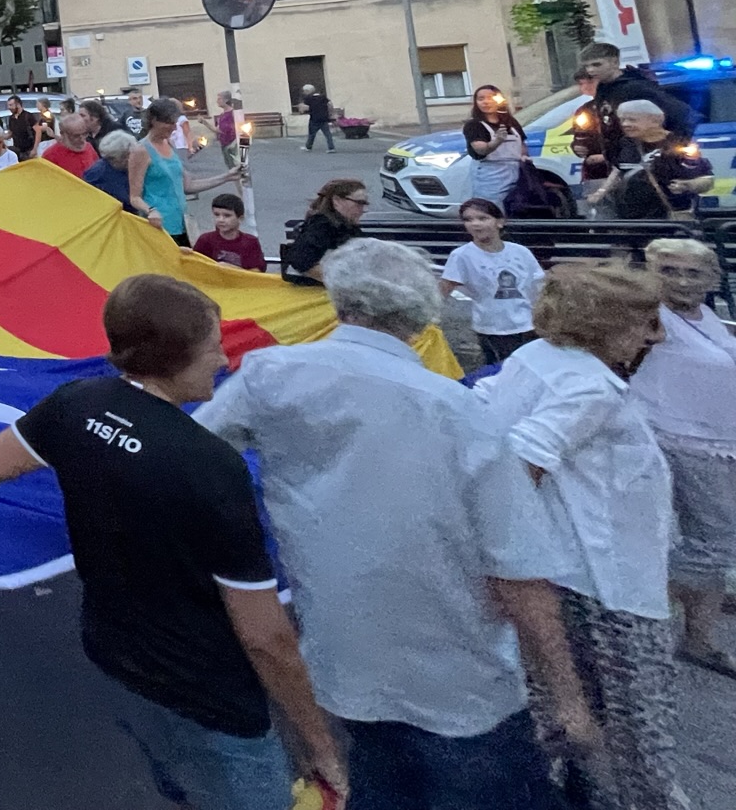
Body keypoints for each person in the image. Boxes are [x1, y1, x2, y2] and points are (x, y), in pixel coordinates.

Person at [198, 241, 594, 809]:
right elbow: (518, 572)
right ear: (419, 316)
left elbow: (194, 453)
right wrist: (567, 698)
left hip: (344, 659)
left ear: (339, 300)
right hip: (459, 679)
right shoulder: (457, 412)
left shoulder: (270, 375)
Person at [0, 275, 345, 809]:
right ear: (173, 357)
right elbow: (264, 636)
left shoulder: (75, 403)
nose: (224, 360)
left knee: (176, 779)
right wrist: (320, 744)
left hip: (117, 659)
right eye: (212, 348)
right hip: (209, 698)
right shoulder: (211, 466)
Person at [482, 262, 682, 806]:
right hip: (604, 581)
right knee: (640, 727)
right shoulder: (588, 388)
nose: (656, 335)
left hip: (565, 567)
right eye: (646, 322)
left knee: (559, 713)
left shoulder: (534, 358)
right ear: (606, 325)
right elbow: (522, 462)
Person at [632, 238, 736, 678]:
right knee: (714, 539)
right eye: (669, 270)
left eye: (694, 273)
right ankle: (636, 613)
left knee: (714, 542)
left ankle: (699, 639)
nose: (682, 281)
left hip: (717, 438)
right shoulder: (646, 315)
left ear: (712, 279)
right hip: (676, 437)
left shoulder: (705, 316)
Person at [572, 41, 697, 190]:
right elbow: (608, 126)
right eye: (587, 66)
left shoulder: (635, 88)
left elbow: (684, 115)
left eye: (596, 64)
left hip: (644, 167)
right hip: (617, 167)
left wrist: (669, 148)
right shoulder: (604, 89)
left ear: (614, 62)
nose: (590, 70)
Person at [436, 198, 543, 366]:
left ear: (499, 222)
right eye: (468, 220)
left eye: (482, 218)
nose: (475, 224)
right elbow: (444, 289)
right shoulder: (461, 256)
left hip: (527, 324)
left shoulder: (521, 252)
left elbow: (537, 286)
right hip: (493, 328)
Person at [131, 99, 240, 246]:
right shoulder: (141, 151)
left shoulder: (168, 143)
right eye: (170, 123)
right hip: (159, 226)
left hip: (182, 223)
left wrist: (227, 177)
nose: (175, 128)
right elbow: (134, 197)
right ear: (155, 121)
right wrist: (150, 211)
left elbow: (187, 186)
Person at [588, 99, 714, 221]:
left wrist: (688, 185)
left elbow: (707, 180)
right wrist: (601, 192)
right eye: (623, 119)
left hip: (668, 223)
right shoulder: (626, 143)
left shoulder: (679, 145)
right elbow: (619, 170)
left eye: (632, 119)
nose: (625, 124)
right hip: (630, 222)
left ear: (655, 120)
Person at [282, 179, 368, 285]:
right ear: (337, 201)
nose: (362, 209)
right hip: (316, 294)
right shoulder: (322, 226)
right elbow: (300, 260)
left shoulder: (347, 226)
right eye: (359, 203)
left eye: (364, 204)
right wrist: (347, 284)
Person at [463, 86, 529, 212]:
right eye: (481, 99)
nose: (485, 102)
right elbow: (481, 150)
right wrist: (497, 141)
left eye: (490, 98)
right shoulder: (474, 125)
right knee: (492, 209)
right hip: (491, 175)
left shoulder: (510, 122)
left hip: (516, 172)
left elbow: (522, 143)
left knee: (516, 207)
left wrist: (524, 156)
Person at [192, 193, 264, 271]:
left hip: (240, 282)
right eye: (217, 215)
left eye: (227, 215)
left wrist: (232, 269)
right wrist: (185, 253)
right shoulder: (205, 240)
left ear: (240, 218)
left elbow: (256, 272)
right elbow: (195, 265)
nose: (220, 220)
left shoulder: (250, 242)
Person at [83, 131, 141, 213]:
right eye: (127, 156)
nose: (131, 159)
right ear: (115, 157)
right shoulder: (96, 175)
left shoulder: (130, 168)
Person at [40, 112, 99, 178]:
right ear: (63, 134)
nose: (82, 139)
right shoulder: (50, 155)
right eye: (76, 136)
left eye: (84, 134)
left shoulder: (89, 147)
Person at [7, 94, 45, 161]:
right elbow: (11, 133)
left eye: (11, 105)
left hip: (29, 150)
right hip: (17, 151)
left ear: (18, 105)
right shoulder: (11, 118)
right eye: (8, 105)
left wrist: (34, 149)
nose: (9, 107)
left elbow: (38, 132)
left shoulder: (28, 116)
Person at [300, 85, 335, 154]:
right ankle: (331, 148)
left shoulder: (308, 98)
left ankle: (308, 147)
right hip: (324, 118)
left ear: (308, 91)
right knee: (327, 134)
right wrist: (330, 113)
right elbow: (330, 104)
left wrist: (303, 110)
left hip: (314, 119)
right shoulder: (323, 97)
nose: (304, 93)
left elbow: (304, 107)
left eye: (305, 91)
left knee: (312, 134)